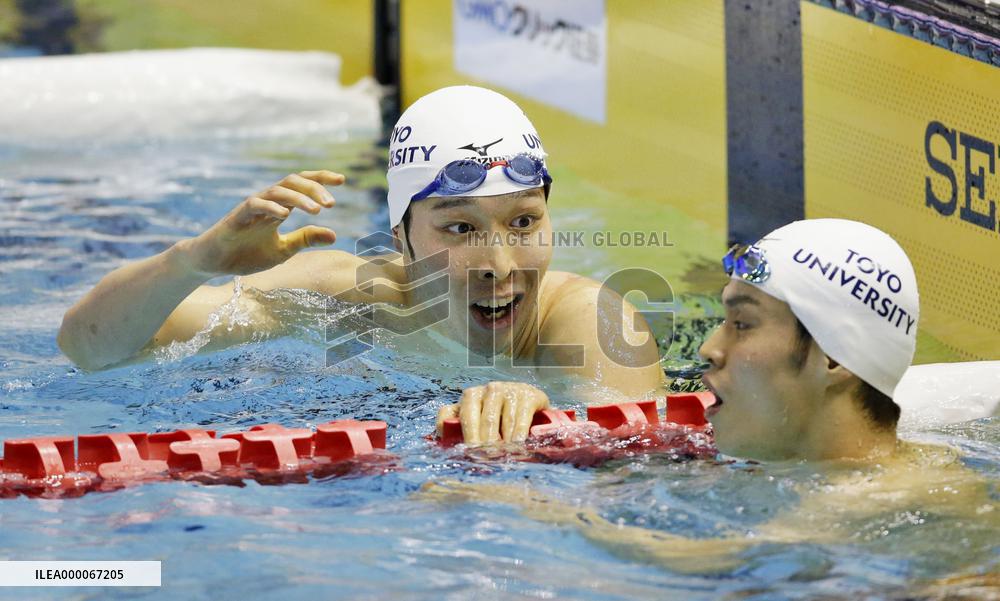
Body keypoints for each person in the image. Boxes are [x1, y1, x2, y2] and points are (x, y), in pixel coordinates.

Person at [57, 85, 666, 443]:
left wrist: (548, 415)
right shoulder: (341, 300)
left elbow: (639, 477)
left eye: (524, 221)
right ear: (399, 239)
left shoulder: (592, 324)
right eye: (460, 227)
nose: (500, 265)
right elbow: (91, 349)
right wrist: (194, 261)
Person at [418, 219, 999, 574]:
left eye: (742, 325)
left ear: (835, 360)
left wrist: (535, 512)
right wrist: (520, 418)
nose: (710, 350)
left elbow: (720, 562)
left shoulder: (901, 501)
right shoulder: (765, 452)